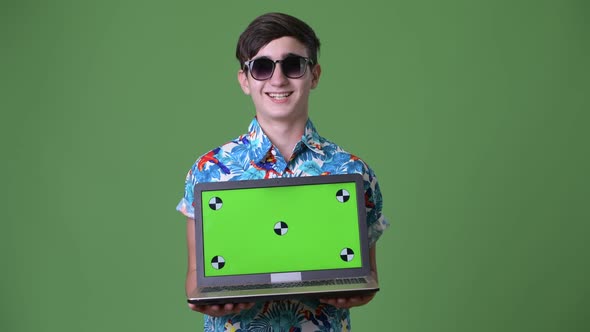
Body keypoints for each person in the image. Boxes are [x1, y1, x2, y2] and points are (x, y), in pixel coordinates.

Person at [176, 12, 389, 331]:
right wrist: (206, 297)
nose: (278, 80)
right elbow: (195, 277)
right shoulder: (209, 171)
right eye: (262, 67)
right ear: (244, 81)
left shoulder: (353, 171)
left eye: (293, 65)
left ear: (314, 75)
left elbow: (367, 273)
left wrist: (358, 290)